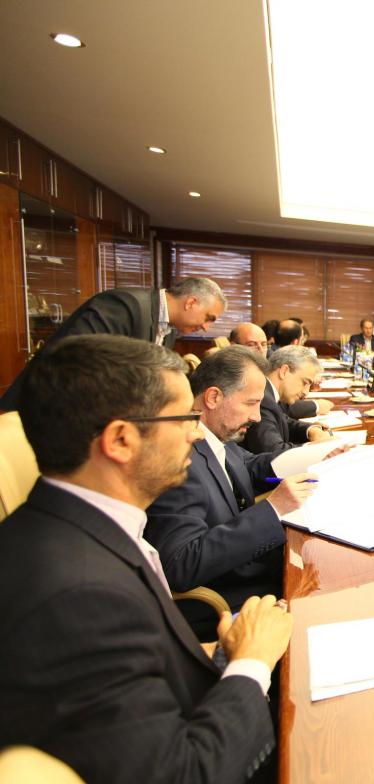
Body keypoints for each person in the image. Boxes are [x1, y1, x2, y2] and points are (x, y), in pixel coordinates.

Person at [0, 334, 291, 783]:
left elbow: (141, 678)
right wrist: (252, 662)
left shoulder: (88, 528)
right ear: (121, 440)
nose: (197, 432)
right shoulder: (78, 598)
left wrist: (225, 654)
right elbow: (186, 772)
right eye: (184, 419)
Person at [146, 346, 315, 637]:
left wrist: (315, 455)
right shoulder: (180, 458)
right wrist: (274, 510)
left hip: (255, 569)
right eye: (250, 404)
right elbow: (181, 564)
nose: (257, 417)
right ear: (213, 397)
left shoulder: (216, 437)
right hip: (230, 598)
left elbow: (249, 465)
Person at [1, 277, 225, 410]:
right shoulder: (124, 306)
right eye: (208, 318)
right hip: (43, 407)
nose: (206, 327)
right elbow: (71, 361)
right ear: (192, 302)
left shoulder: (168, 330)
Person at [243, 346, 334, 454]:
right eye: (304, 383)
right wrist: (318, 448)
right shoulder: (262, 399)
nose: (306, 392)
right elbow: (274, 453)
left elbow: (283, 421)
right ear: (284, 371)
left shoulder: (270, 393)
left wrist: (311, 430)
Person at [231, 322, 327, 418]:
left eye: (264, 344)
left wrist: (311, 429)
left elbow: (280, 414)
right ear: (233, 346)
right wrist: (316, 406)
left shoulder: (261, 372)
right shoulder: (239, 380)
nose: (260, 349)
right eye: (251, 344)